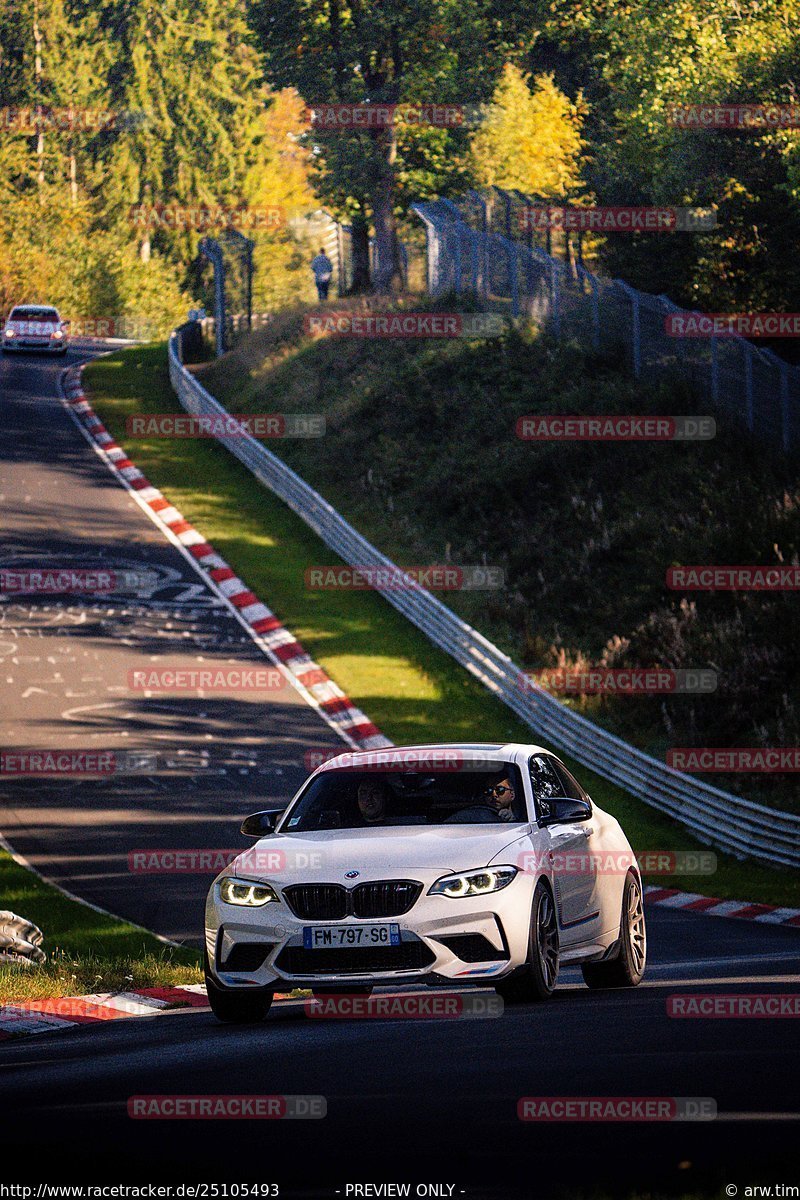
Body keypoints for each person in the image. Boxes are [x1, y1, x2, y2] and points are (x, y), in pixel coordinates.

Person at [444, 775, 518, 823]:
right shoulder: (471, 815)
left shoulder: (525, 817)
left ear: (512, 795)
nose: (494, 794)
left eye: (500, 790)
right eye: (488, 791)